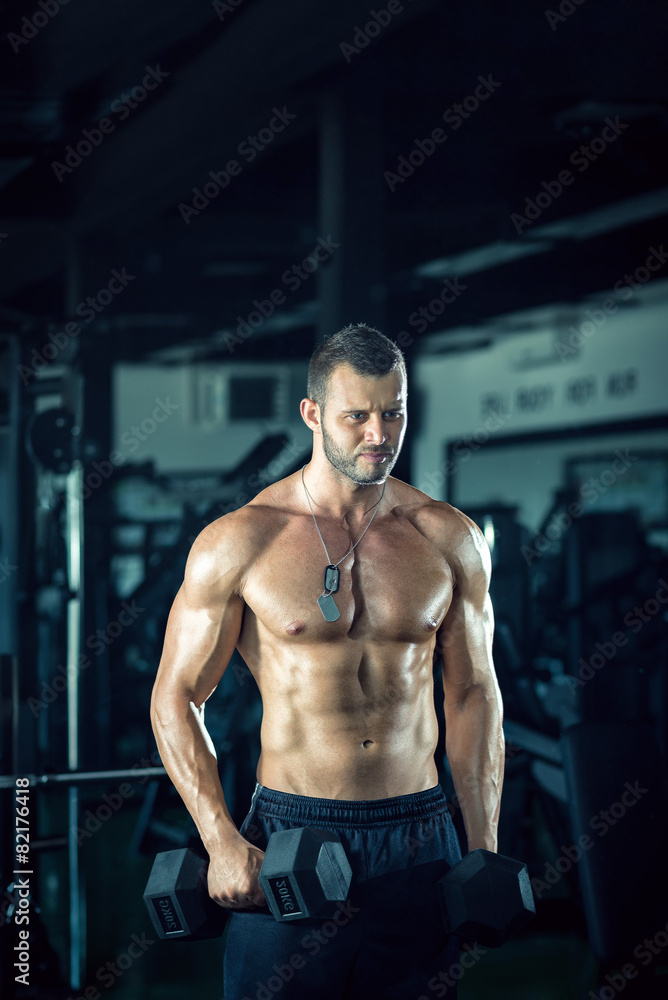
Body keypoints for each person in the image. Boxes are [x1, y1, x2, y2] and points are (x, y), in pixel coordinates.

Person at [150, 324, 504, 999]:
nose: (380, 433)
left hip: (420, 839)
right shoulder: (241, 540)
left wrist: (480, 842)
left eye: (394, 410)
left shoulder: (448, 537)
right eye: (357, 415)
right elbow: (175, 697)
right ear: (312, 414)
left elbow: (473, 696)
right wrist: (220, 838)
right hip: (292, 836)